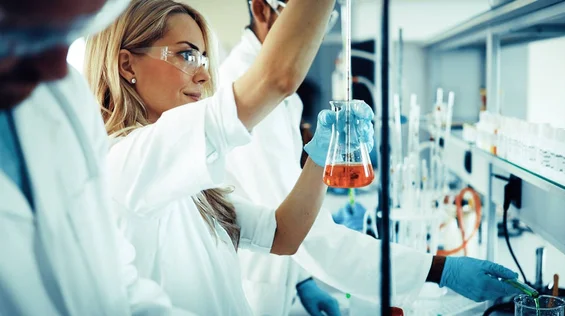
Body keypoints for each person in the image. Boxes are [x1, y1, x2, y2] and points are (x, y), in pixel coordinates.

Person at [219, 0, 523, 313]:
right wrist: (441, 270)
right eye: (308, 15)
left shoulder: (279, 91)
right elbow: (291, 226)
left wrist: (301, 280)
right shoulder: (246, 89)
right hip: (254, 289)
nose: (319, 31)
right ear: (261, 9)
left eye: (325, 18)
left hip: (280, 272)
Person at [83, 0, 360, 314]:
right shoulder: (127, 160)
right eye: (186, 55)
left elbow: (284, 234)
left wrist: (322, 155)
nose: (203, 75)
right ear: (127, 65)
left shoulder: (187, 179)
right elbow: (278, 79)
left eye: (202, 57)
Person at [0, 0, 196, 314]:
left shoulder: (64, 97)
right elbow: (253, 97)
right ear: (127, 65)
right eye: (28, 35)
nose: (58, 70)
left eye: (70, 33)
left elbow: (115, 284)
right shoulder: (130, 151)